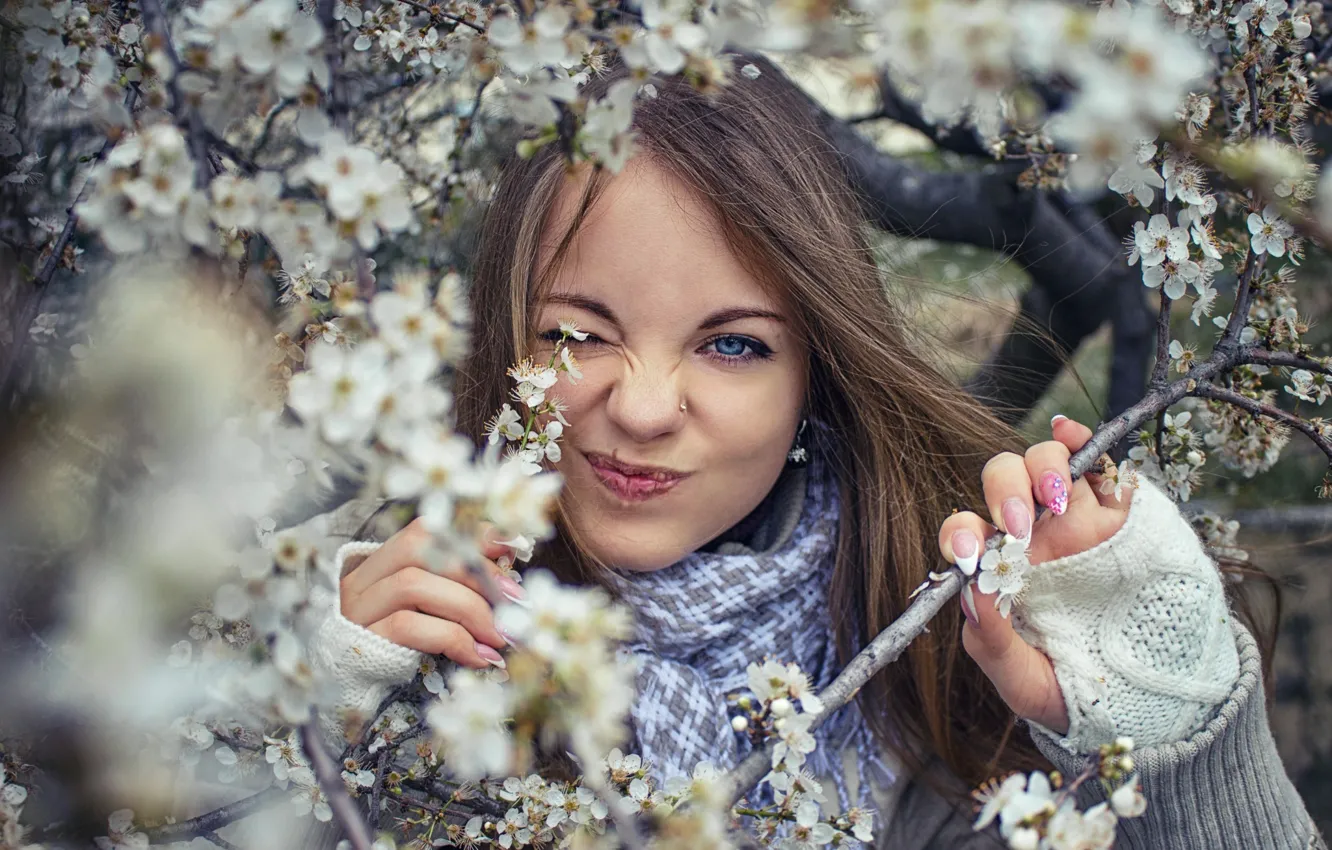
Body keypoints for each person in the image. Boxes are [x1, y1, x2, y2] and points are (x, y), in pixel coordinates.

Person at [302, 52, 1323, 849]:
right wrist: (309, 730)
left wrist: (1177, 737)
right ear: (506, 342)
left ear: (813, 378)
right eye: (576, 334)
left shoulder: (952, 673)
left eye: (732, 344)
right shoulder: (384, 646)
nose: (644, 409)